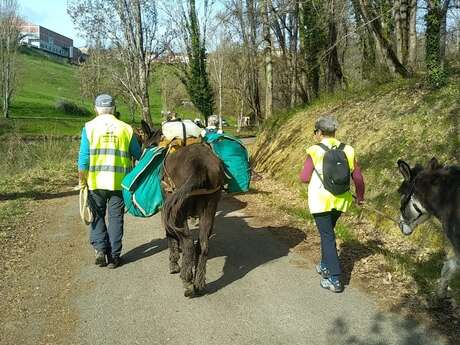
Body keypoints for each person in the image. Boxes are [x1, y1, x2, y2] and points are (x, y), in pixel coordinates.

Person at [299, 115, 365, 292]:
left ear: (320, 132)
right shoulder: (349, 150)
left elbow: (304, 178)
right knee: (327, 233)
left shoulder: (315, 150)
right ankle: (324, 265)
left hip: (320, 201)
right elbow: (357, 177)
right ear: (334, 131)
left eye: (316, 132)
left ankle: (335, 279)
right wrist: (360, 197)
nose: (315, 135)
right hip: (341, 200)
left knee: (327, 235)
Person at [78, 94, 141, 268]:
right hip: (119, 183)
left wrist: (82, 181)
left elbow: (84, 158)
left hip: (96, 183)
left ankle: (100, 250)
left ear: (96, 108)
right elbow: (138, 154)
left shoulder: (89, 128)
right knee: (116, 218)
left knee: (97, 216)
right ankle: (114, 256)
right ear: (114, 108)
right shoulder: (126, 129)